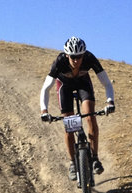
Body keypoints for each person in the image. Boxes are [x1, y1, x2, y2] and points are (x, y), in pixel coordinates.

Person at [40, 36, 115, 180]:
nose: (76, 60)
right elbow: (45, 88)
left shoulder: (89, 58)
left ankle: (95, 158)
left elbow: (107, 83)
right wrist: (44, 111)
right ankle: (73, 163)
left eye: (79, 57)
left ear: (83, 55)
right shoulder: (60, 62)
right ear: (67, 55)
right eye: (73, 57)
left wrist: (110, 102)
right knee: (69, 126)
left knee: (90, 117)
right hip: (65, 87)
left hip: (83, 84)